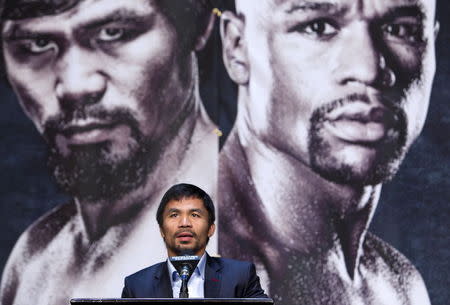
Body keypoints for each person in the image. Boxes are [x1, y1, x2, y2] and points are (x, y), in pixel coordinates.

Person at [218, 0, 438, 304]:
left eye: (401, 30)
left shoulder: (397, 283)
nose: (368, 69)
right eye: (318, 27)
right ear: (237, 48)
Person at [0, 1, 218, 305]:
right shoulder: (36, 257)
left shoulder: (243, 249)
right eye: (37, 43)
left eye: (114, 33)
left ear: (198, 24)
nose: (75, 85)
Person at [121, 183, 268, 298]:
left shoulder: (240, 276)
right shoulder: (137, 286)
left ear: (211, 228)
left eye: (195, 215)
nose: (184, 223)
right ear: (161, 230)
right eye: (174, 215)